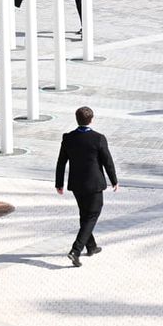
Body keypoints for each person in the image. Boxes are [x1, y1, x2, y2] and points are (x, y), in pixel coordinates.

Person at [55, 105, 117, 267]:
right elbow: (107, 162)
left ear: (77, 119)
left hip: (76, 184)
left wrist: (59, 183)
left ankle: (91, 246)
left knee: (85, 214)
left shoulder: (68, 138)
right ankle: (76, 250)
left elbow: (61, 162)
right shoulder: (98, 138)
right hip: (94, 184)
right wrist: (114, 180)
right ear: (92, 119)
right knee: (92, 215)